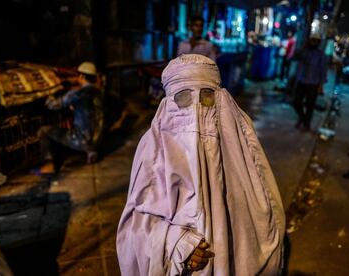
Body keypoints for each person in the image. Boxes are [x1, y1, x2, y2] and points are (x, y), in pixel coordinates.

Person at [116, 54, 285, 275]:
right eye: (183, 98)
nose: (195, 111)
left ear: (221, 98)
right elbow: (134, 229)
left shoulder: (239, 141)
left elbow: (265, 211)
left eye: (206, 96)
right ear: (168, 104)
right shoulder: (153, 146)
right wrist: (176, 245)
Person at [36, 61, 104, 175]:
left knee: (43, 131)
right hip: (99, 139)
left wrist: (50, 95)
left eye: (77, 76)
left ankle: (49, 165)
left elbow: (54, 105)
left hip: (81, 140)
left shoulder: (77, 94)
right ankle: (91, 151)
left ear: (82, 76)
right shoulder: (99, 92)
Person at [293, 34, 327, 131]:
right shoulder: (304, 52)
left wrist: (321, 85)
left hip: (313, 83)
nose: (313, 43)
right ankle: (303, 118)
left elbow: (323, 70)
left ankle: (306, 123)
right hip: (301, 81)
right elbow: (294, 56)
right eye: (311, 40)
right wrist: (303, 47)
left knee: (310, 105)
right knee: (296, 102)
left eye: (315, 41)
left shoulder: (320, 54)